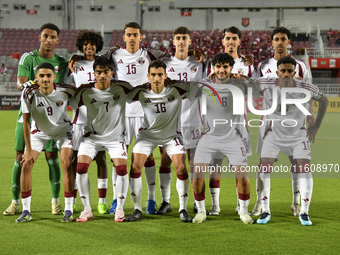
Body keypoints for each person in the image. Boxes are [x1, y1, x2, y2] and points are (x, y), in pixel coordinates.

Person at [3, 23, 68, 217]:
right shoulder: (28, 58)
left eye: (53, 37)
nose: (49, 40)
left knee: (52, 158)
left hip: (52, 118)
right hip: (28, 114)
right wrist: (30, 87)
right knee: (21, 157)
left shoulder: (62, 62)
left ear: (57, 40)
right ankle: (15, 202)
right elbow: (20, 82)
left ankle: (55, 202)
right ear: (40, 37)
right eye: (45, 36)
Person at [70, 56, 145, 222]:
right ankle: (87, 209)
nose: (102, 75)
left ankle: (119, 208)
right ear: (94, 74)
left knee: (121, 170)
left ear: (112, 73)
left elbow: (139, 94)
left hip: (115, 137)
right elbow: (69, 102)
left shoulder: (122, 88)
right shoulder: (85, 91)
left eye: (106, 72)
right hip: (91, 137)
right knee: (81, 168)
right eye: (99, 72)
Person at [255, 56, 328, 226]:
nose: (287, 74)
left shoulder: (305, 87)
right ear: (277, 72)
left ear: (295, 72)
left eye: (290, 71)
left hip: (298, 135)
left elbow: (324, 100)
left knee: (304, 168)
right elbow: (244, 82)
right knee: (263, 168)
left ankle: (304, 212)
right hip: (273, 134)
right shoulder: (266, 83)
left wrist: (316, 125)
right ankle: (265, 211)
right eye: (283, 71)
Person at [252, 26, 314, 216]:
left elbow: (310, 91)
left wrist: (310, 114)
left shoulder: (300, 65)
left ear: (289, 42)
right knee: (263, 164)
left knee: (296, 162)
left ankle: (296, 202)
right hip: (269, 122)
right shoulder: (263, 66)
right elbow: (255, 90)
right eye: (276, 39)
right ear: (272, 43)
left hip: (295, 124)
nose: (280, 42)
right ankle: (260, 203)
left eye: (283, 39)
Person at [125, 60, 192, 223]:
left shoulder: (176, 89)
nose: (156, 78)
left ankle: (183, 208)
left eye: (160, 74)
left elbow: (197, 85)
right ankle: (137, 209)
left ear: (165, 76)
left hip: (171, 137)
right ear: (148, 76)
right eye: (153, 75)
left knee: (181, 167)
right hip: (147, 135)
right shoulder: (141, 92)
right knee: (135, 166)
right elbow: (121, 92)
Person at [192, 53, 253, 224]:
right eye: (218, 66)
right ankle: (201, 211)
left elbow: (258, 86)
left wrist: (243, 77)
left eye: (225, 67)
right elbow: (187, 91)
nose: (221, 70)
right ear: (213, 67)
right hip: (209, 136)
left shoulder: (239, 85)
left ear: (231, 69)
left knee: (242, 174)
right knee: (197, 175)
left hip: (233, 137)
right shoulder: (204, 85)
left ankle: (244, 211)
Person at [16, 62, 76, 222]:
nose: (45, 79)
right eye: (41, 75)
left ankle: (69, 210)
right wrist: (28, 150)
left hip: (63, 131)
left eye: (48, 75)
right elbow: (26, 122)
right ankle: (26, 211)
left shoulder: (65, 90)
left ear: (54, 77)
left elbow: (83, 98)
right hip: (39, 132)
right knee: (26, 163)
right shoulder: (28, 92)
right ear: (36, 77)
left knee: (66, 164)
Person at [64, 30, 109, 214]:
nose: (89, 47)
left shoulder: (104, 63)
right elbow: (66, 85)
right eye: (85, 44)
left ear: (97, 45)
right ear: (81, 46)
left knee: (101, 158)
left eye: (92, 44)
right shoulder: (74, 63)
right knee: (75, 160)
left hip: (100, 119)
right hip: (80, 119)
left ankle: (102, 201)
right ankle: (74, 200)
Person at [220, 26, 255, 215]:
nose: (231, 41)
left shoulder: (247, 64)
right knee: (215, 166)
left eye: (234, 38)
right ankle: (215, 206)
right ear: (223, 41)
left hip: (238, 122)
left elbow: (256, 89)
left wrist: (243, 78)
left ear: (239, 41)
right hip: (216, 122)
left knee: (239, 168)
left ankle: (242, 207)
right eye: (228, 38)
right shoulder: (213, 63)